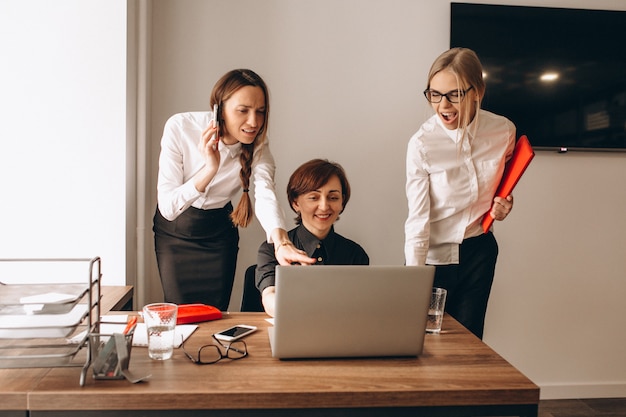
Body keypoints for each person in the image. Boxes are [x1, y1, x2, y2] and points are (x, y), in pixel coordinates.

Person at [153, 69, 315, 310]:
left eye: (260, 111)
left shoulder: (258, 145)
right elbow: (168, 208)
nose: (254, 122)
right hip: (176, 233)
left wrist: (282, 242)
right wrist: (209, 169)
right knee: (182, 316)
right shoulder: (180, 127)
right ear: (219, 109)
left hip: (219, 235)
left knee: (215, 312)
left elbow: (265, 192)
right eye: (243, 110)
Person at [404, 48, 515, 339]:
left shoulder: (503, 131)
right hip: (431, 257)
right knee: (422, 341)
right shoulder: (422, 144)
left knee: (469, 343)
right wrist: (414, 278)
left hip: (479, 252)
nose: (443, 105)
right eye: (434, 94)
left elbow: (501, 190)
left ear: (477, 91)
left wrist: (502, 207)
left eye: (454, 94)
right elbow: (417, 218)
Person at [256, 159, 369, 317]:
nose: (324, 206)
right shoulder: (270, 249)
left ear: (342, 202)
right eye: (314, 198)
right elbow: (269, 298)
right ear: (295, 202)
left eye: (333, 197)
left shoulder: (355, 254)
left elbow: (358, 308)